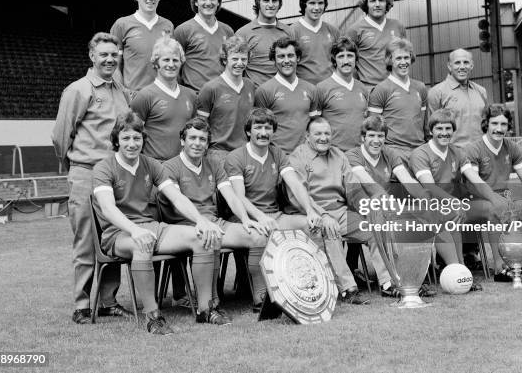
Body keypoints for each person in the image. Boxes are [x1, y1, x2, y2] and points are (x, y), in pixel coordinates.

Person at [92, 112, 224, 335]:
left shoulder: (151, 164)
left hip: (152, 227)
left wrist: (201, 221)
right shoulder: (104, 168)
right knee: (142, 245)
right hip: (118, 234)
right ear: (116, 140)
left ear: (143, 140)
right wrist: (134, 230)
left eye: (137, 138)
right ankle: (153, 317)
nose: (132, 144)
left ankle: (205, 309)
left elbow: (177, 196)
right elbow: (108, 208)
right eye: (126, 138)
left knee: (202, 237)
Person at [52, 32, 132, 325]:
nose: (110, 59)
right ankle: (82, 304)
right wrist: (75, 167)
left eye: (114, 54)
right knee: (86, 241)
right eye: (104, 54)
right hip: (86, 173)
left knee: (112, 237)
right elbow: (61, 136)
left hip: (114, 175)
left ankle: (108, 301)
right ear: (92, 56)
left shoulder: (122, 92)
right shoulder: (78, 90)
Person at [162, 117, 268, 313]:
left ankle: (261, 298)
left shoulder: (214, 163)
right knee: (211, 237)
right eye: (192, 138)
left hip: (215, 223)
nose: (197, 143)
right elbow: (178, 202)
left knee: (259, 235)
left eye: (202, 139)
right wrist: (201, 222)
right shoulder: (170, 166)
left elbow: (231, 196)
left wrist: (246, 220)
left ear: (207, 143)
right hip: (186, 226)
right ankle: (212, 301)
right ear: (182, 141)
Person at [289, 117, 398, 303]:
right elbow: (299, 195)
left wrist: (367, 209)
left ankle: (388, 283)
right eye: (318, 134)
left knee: (376, 228)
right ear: (307, 136)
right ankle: (348, 289)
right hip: (314, 213)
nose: (323, 138)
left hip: (341, 211)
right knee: (330, 231)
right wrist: (322, 215)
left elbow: (353, 189)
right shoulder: (297, 157)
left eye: (327, 133)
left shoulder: (339, 155)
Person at [224, 108, 322, 310]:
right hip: (246, 217)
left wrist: (310, 211)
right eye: (258, 127)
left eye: (268, 128)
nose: (263, 132)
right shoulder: (236, 157)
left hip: (275, 215)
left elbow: (295, 184)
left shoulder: (277, 153)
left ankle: (308, 288)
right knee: (259, 234)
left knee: (311, 226)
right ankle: (260, 297)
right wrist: (260, 217)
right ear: (249, 131)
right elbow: (239, 197)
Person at [345, 115, 437, 297]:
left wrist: (427, 199)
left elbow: (407, 179)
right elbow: (369, 184)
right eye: (371, 136)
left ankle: (413, 279)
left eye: (380, 136)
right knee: (389, 224)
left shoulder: (389, 153)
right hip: (360, 207)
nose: (376, 141)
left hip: (386, 206)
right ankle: (389, 283)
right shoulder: (352, 155)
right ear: (363, 137)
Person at [460, 104, 522, 281]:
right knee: (497, 209)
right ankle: (499, 268)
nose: (499, 128)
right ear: (486, 124)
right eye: (494, 123)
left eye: (503, 124)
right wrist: (495, 199)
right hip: (474, 202)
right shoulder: (473, 149)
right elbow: (475, 182)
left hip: (503, 200)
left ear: (508, 126)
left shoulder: (511, 148)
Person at [409, 109, 482, 291]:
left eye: (448, 128)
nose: (444, 132)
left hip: (448, 204)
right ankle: (457, 272)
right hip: (422, 205)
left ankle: (460, 270)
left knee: (455, 216)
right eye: (439, 128)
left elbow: (475, 178)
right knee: (448, 216)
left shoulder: (457, 152)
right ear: (431, 130)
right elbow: (430, 188)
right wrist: (455, 203)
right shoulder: (420, 153)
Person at [130, 36, 196, 162]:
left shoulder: (191, 95)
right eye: (166, 60)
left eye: (175, 60)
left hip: (183, 166)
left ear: (181, 62)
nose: (171, 65)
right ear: (156, 63)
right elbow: (133, 135)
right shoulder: (145, 96)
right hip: (155, 166)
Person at [110, 0, 174, 92]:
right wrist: (122, 93)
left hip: (162, 95)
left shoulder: (168, 26)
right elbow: (114, 64)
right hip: (134, 96)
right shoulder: (122, 24)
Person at [196, 36, 255, 164]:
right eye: (234, 58)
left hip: (245, 152)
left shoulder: (250, 86)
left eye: (244, 59)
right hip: (218, 153)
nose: (239, 63)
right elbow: (200, 126)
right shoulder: (210, 88)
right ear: (224, 60)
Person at [254, 37, 318, 153]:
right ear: (274, 60)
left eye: (290, 55)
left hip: (307, 155)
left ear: (298, 58)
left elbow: (315, 126)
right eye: (281, 56)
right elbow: (260, 130)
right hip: (278, 157)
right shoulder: (264, 91)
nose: (286, 60)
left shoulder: (311, 89)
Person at [368, 38, 428, 162]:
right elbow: (373, 128)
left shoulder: (420, 87)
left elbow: (422, 123)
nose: (403, 62)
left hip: (419, 150)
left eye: (406, 57)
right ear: (390, 60)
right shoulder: (381, 89)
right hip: (394, 151)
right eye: (398, 58)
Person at [173, 0, 234, 92]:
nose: (208, 3)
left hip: (223, 96)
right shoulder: (182, 31)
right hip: (195, 97)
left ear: (218, 2)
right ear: (196, 2)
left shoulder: (228, 31)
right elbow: (174, 67)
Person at [345, 0, 406, 87]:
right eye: (373, 1)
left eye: (381, 0)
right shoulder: (354, 30)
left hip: (396, 86)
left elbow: (406, 56)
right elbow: (346, 61)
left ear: (386, 3)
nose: (377, 4)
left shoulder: (398, 26)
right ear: (366, 4)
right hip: (370, 88)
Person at [427, 48, 490, 150]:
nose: (462, 67)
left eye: (466, 62)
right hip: (453, 155)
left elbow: (486, 124)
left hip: (481, 153)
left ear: (471, 65)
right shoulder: (437, 92)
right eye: (457, 63)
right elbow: (430, 130)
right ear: (449, 66)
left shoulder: (481, 91)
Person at [316, 37, 368, 152]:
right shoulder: (321, 88)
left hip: (360, 153)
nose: (346, 61)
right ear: (334, 60)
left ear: (356, 59)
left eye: (350, 56)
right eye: (341, 56)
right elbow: (314, 125)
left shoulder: (362, 88)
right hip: (334, 154)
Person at [236, 0, 291, 86]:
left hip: (282, 94)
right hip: (255, 96)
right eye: (266, 0)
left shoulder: (288, 32)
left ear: (280, 3)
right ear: (258, 3)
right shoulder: (243, 33)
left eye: (274, 1)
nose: (270, 5)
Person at [289, 0, 340, 84]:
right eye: (312, 3)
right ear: (304, 4)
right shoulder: (292, 31)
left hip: (330, 90)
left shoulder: (333, 31)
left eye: (320, 3)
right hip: (304, 91)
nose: (317, 8)